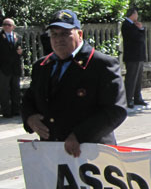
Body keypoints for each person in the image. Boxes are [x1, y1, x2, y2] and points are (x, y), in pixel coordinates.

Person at [21, 9, 127, 157]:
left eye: (65, 33)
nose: (59, 39)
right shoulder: (42, 66)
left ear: (80, 34)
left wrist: (79, 135)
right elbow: (29, 99)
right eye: (54, 34)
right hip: (54, 152)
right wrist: (29, 117)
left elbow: (116, 110)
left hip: (92, 153)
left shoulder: (101, 64)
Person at [121, 6, 148, 109]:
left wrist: (140, 28)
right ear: (133, 14)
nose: (137, 16)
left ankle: (137, 97)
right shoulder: (127, 25)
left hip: (138, 56)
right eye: (136, 14)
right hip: (132, 57)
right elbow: (137, 38)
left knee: (138, 79)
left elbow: (141, 37)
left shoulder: (133, 25)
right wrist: (140, 29)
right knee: (131, 79)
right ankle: (128, 99)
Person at [0, 18, 23, 117]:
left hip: (15, 67)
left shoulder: (18, 37)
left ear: (13, 27)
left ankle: (16, 110)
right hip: (3, 67)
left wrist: (21, 52)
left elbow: (22, 50)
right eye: (5, 24)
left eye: (9, 25)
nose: (6, 26)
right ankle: (6, 111)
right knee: (4, 90)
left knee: (16, 89)